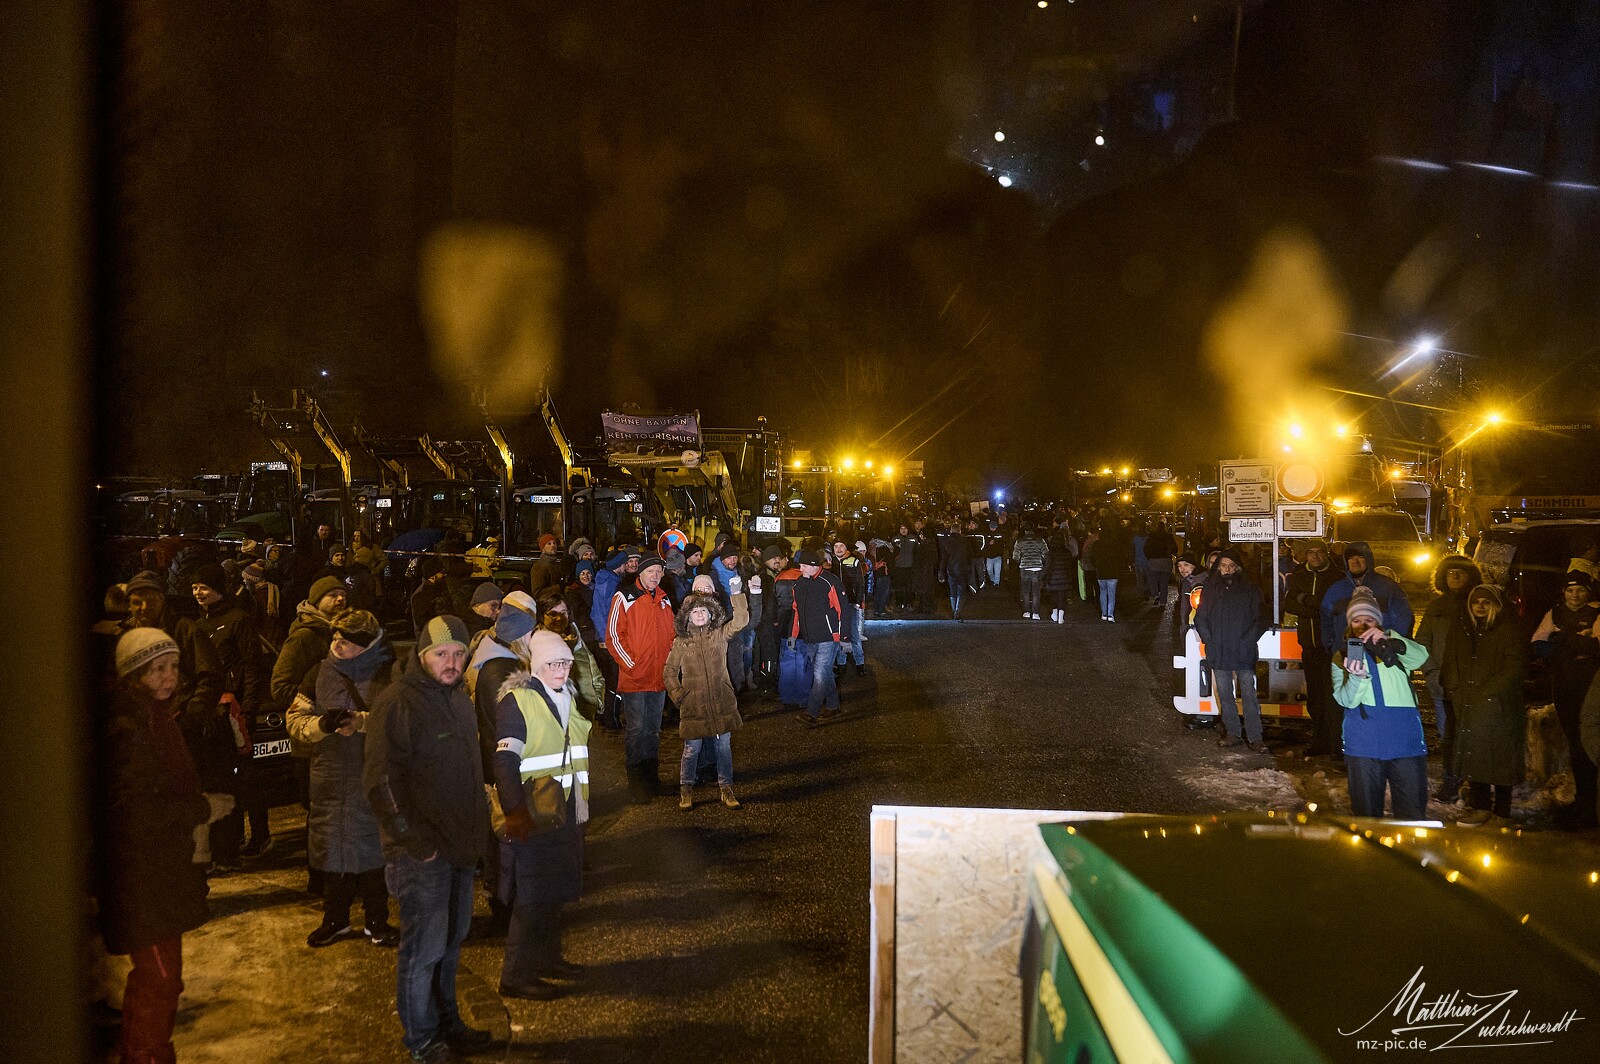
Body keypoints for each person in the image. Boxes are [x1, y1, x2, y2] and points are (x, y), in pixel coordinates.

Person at [364, 615, 493, 1063]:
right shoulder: (398, 702)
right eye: (442, 654)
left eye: (458, 653)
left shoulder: (458, 700)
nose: (451, 662)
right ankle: (421, 1041)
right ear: (422, 656)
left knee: (452, 942)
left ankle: (447, 1024)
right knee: (422, 950)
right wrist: (415, 841)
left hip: (459, 845)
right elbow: (381, 782)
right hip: (422, 855)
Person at [98, 629, 219, 1064]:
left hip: (157, 873)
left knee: (160, 978)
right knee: (160, 978)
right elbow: (132, 810)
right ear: (134, 675)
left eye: (173, 667)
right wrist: (199, 809)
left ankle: (145, 1054)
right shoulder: (127, 727)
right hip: (138, 877)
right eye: (157, 669)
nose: (169, 677)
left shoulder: (154, 717)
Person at [287, 609, 398, 948]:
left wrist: (362, 722)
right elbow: (294, 720)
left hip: (372, 775)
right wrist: (322, 726)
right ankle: (335, 920)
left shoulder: (389, 673)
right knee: (333, 848)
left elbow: (401, 722)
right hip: (331, 776)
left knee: (374, 848)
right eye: (334, 637)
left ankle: (377, 920)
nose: (336, 644)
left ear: (364, 646)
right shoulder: (318, 673)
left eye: (345, 640)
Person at [492, 629, 591, 1001]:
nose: (561, 669)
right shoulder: (518, 702)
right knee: (532, 894)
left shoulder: (567, 696)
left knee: (554, 891)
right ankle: (516, 975)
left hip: (563, 809)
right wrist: (515, 811)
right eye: (552, 663)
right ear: (537, 666)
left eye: (565, 663)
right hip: (533, 811)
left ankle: (548, 960)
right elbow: (504, 760)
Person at [1331, 587, 1431, 819]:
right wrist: (1358, 678)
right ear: (1349, 624)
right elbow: (1345, 699)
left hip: (1405, 741)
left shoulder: (1392, 642)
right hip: (1364, 744)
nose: (1363, 625)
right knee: (1367, 817)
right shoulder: (1342, 656)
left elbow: (1421, 658)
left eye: (1369, 619)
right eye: (1356, 620)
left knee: (1412, 815)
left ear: (1379, 622)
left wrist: (1393, 643)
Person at [191, 562, 266, 869]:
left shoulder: (237, 620)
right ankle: (227, 844)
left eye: (203, 588)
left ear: (217, 589)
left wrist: (247, 709)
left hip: (235, 710)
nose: (198, 593)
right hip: (213, 712)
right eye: (194, 588)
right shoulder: (199, 624)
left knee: (246, 777)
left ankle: (259, 835)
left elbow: (251, 667)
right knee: (223, 779)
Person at [1442, 584, 1527, 827]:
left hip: (1498, 705)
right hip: (1468, 703)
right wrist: (1456, 690)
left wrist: (1487, 692)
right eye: (1475, 602)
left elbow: (1514, 668)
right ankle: (1479, 805)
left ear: (1497, 606)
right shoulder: (1463, 630)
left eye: (1486, 602)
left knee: (1500, 757)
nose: (1480, 606)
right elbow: (1451, 661)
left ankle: (1502, 811)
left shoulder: (1508, 631)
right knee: (1475, 754)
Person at [665, 578, 750, 810]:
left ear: (711, 614)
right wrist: (678, 695)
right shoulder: (681, 642)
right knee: (692, 750)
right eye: (695, 611)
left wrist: (736, 592)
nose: (700, 614)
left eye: (704, 610)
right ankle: (686, 789)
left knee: (723, 748)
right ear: (687, 617)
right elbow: (669, 671)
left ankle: (726, 787)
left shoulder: (719, 635)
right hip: (694, 706)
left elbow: (741, 620)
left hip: (721, 701)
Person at [607, 552, 677, 802]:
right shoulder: (624, 597)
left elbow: (671, 635)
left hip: (659, 678)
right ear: (640, 573)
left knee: (653, 730)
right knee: (636, 730)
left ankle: (651, 780)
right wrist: (632, 666)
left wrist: (670, 665)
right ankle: (636, 784)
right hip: (635, 679)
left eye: (659, 572)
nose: (655, 576)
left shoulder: (664, 599)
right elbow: (614, 637)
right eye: (651, 572)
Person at [1532, 572, 1600, 829]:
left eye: (1580, 591)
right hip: (1563, 685)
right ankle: (1582, 800)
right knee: (1574, 741)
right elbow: (1539, 643)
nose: (1575, 596)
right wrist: (1576, 642)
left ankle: (1590, 804)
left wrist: (1567, 640)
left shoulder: (1596, 613)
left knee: (1588, 742)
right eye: (1570, 591)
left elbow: (1596, 647)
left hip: (1589, 687)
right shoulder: (1555, 613)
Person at [1413, 555, 1482, 801]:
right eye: (1451, 572)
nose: (1455, 576)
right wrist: (1431, 671)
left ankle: (1475, 785)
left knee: (1473, 734)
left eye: (1461, 573)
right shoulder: (1436, 607)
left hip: (1472, 685)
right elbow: (1422, 642)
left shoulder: (1479, 604)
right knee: (1447, 734)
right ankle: (1451, 780)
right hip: (1442, 684)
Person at [1194, 549, 1269, 752]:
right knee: (1225, 694)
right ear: (1218, 567)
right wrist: (1210, 640)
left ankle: (1255, 736)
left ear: (1237, 567)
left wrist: (1248, 640)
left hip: (1242, 651)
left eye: (1231, 565)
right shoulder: (1210, 588)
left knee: (1249, 695)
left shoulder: (1249, 589)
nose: (1227, 569)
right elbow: (1200, 618)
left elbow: (1261, 618)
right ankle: (1233, 733)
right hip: (1219, 650)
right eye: (1223, 565)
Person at [1283, 538, 1343, 757]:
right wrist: (1311, 607)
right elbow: (1290, 603)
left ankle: (1337, 744)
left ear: (1326, 554)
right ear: (1305, 555)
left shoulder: (1337, 576)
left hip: (1332, 646)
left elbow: (1335, 608)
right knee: (1316, 696)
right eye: (1311, 553)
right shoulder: (1300, 576)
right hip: (1309, 644)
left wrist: (1308, 601)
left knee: (1334, 696)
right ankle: (1319, 741)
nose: (1316, 557)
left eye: (1320, 552)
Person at [1320, 542, 1414, 655]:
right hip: (1346, 652)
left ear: (1368, 560)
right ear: (1346, 561)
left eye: (1360, 557)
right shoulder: (1336, 590)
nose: (1355, 561)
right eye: (1351, 558)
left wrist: (1391, 642)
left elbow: (1404, 617)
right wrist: (1331, 645)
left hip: (1381, 652)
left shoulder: (1388, 587)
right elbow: (1326, 619)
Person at [791, 549, 843, 725]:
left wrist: (843, 636)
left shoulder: (829, 582)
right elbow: (797, 610)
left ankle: (811, 713)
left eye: (804, 566)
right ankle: (833, 705)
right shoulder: (799, 584)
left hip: (828, 636)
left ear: (814, 567)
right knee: (824, 672)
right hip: (810, 636)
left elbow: (841, 609)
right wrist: (794, 635)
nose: (801, 569)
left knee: (820, 674)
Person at [831, 540, 867, 675]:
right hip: (834, 604)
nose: (838, 549)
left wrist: (858, 602)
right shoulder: (830, 562)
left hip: (850, 603)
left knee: (853, 634)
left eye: (841, 545)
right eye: (836, 546)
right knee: (839, 634)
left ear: (846, 547)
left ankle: (859, 663)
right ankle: (841, 663)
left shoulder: (853, 561)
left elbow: (859, 583)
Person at [1013, 523, 1049, 620]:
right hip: (1037, 567)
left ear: (1024, 531)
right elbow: (1046, 553)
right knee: (1036, 592)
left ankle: (1026, 612)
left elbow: (1015, 557)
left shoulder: (1019, 541)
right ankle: (1036, 613)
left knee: (1025, 591)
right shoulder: (1040, 540)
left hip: (1024, 567)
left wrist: (1021, 560)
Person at [937, 521, 972, 621]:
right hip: (962, 568)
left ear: (951, 530)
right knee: (961, 590)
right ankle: (958, 610)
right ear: (960, 530)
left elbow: (944, 558)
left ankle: (953, 610)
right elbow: (970, 554)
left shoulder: (946, 542)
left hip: (951, 569)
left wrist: (941, 571)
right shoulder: (965, 541)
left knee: (953, 589)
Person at [410, 560, 453, 636]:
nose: (444, 574)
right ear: (433, 576)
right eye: (441, 572)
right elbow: (421, 622)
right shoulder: (421, 594)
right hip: (431, 637)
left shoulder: (441, 587)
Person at [1041, 526, 1073, 624]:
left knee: (1054, 597)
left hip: (1053, 577)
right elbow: (1069, 566)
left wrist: (1042, 575)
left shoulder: (1051, 553)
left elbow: (1047, 566)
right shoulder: (1067, 552)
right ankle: (1061, 617)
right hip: (1064, 577)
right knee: (1062, 597)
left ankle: (1054, 614)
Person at [1143, 521, 1179, 607]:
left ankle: (1155, 595)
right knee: (1164, 582)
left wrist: (1149, 558)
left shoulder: (1151, 536)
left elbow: (1145, 548)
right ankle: (1163, 601)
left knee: (1153, 580)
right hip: (1166, 561)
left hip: (1153, 561)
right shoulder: (1169, 536)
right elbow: (1174, 548)